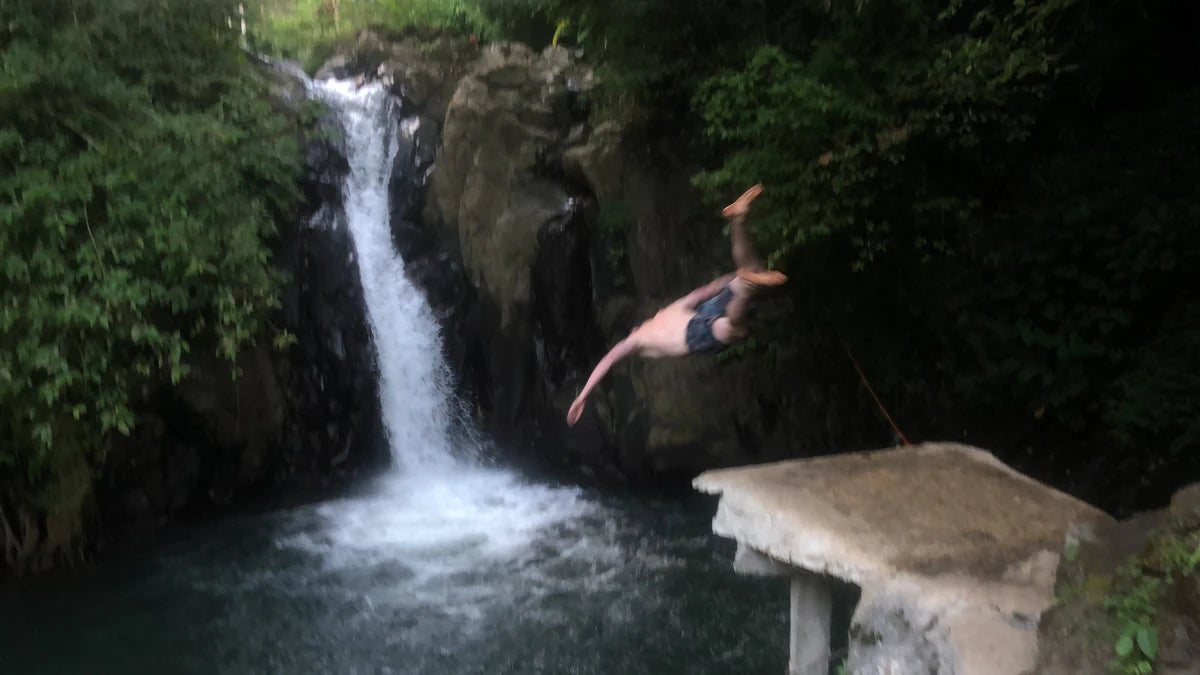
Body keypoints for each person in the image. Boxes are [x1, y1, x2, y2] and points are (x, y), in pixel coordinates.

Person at [566, 184, 786, 426]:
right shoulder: (666, 312)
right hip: (701, 313)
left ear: (633, 330)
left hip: (694, 335)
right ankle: (737, 221)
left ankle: (746, 288)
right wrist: (731, 277)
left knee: (732, 328)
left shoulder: (637, 341)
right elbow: (702, 292)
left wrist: (582, 395)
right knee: (749, 270)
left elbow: (607, 360)